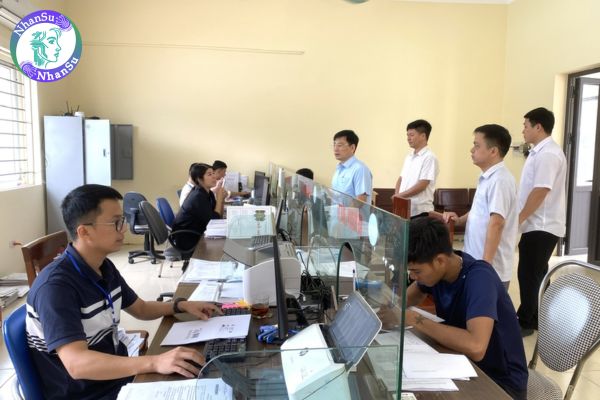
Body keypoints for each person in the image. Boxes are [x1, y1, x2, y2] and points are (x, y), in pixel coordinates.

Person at [26, 184, 221, 400]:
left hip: (118, 378)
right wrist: (154, 361)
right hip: (89, 394)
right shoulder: (56, 288)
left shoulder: (102, 266)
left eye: (123, 221)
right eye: (116, 222)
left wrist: (181, 305)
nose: (124, 229)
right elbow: (77, 364)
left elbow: (141, 309)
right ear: (84, 231)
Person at [378, 217, 528, 399]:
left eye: (417, 271)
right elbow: (412, 295)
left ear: (440, 261)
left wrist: (411, 318)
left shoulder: (480, 279)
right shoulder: (440, 271)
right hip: (464, 364)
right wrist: (390, 309)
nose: (413, 277)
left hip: (500, 383)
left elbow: (476, 347)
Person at [442, 124, 518, 288]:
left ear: (493, 151)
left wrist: (485, 268)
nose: (472, 150)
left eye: (477, 146)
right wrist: (460, 220)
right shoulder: (486, 177)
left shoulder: (500, 180)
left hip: (490, 269)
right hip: (475, 262)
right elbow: (479, 210)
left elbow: (497, 223)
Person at [517, 107, 566, 337]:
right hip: (536, 224)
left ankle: (526, 321)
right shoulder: (539, 152)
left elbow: (540, 191)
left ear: (538, 127)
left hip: (542, 224)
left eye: (526, 125)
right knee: (537, 273)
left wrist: (520, 217)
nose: (523, 130)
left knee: (529, 274)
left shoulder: (548, 154)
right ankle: (539, 317)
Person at [172, 163, 226, 249]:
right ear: (200, 179)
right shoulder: (197, 196)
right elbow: (214, 221)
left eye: (213, 173)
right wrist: (219, 199)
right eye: (209, 174)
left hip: (199, 232)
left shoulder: (209, 193)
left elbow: (218, 217)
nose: (214, 177)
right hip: (187, 239)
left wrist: (222, 200)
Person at [393, 119, 439, 217]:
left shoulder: (429, 157)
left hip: (420, 212)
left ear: (423, 136)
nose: (408, 138)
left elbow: (422, 184)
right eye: (407, 135)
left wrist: (399, 196)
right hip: (404, 208)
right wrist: (397, 196)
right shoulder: (409, 157)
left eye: (411, 135)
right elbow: (401, 178)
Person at [331, 130, 373, 203]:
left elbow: (360, 201)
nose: (335, 149)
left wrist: (345, 211)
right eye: (334, 145)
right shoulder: (339, 168)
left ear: (352, 147)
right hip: (336, 210)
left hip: (352, 211)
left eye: (340, 145)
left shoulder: (360, 169)